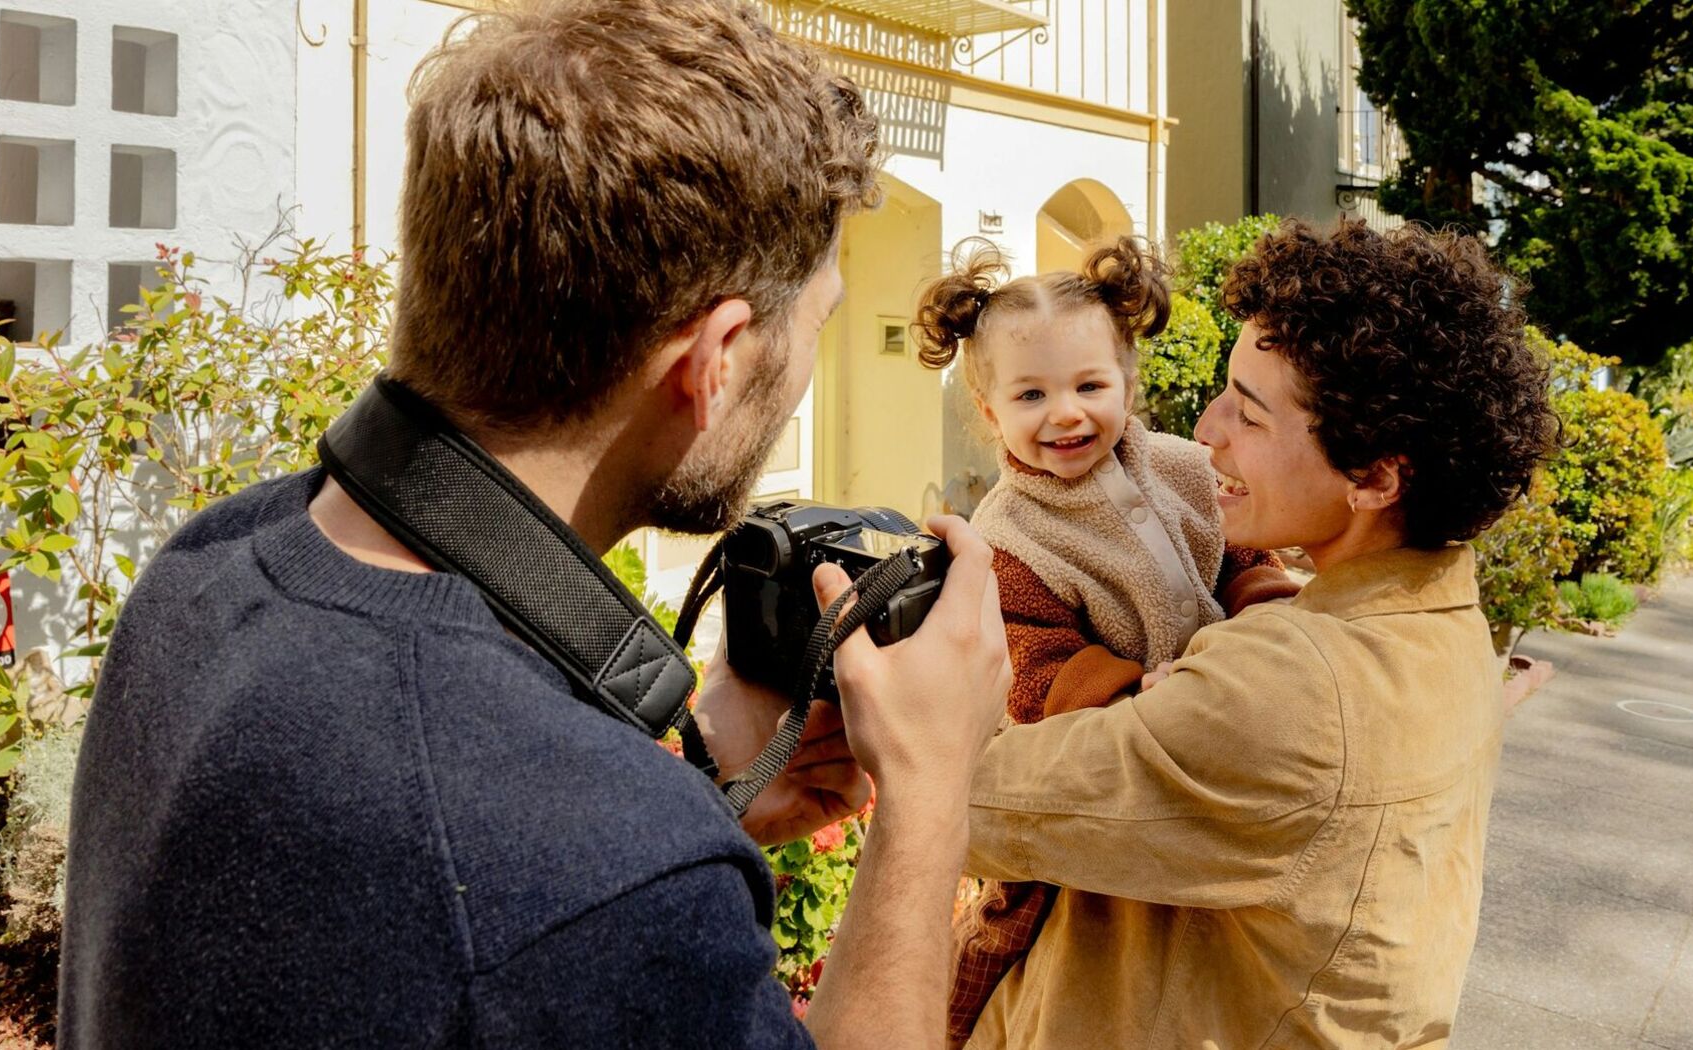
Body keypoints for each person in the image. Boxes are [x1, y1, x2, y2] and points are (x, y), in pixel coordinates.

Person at [57, 2, 1010, 1047]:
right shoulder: (605, 872)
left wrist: (686, 791)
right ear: (717, 358)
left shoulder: (210, 567)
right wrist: (925, 795)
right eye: (815, 324)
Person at [956, 218, 1560, 1048]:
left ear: (1376, 475)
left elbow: (962, 804)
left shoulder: (1286, 687)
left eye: (1248, 412)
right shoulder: (1442, 618)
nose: (1205, 431)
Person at [910, 237, 1287, 1043]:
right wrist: (1124, 690)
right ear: (990, 413)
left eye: (1089, 385)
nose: (1067, 413)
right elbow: (1035, 662)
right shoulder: (1011, 535)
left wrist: (1264, 604)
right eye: (1032, 396)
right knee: (1012, 931)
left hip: (1216, 718)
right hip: (1095, 758)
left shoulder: (1185, 467)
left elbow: (1237, 553)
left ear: (1127, 381)